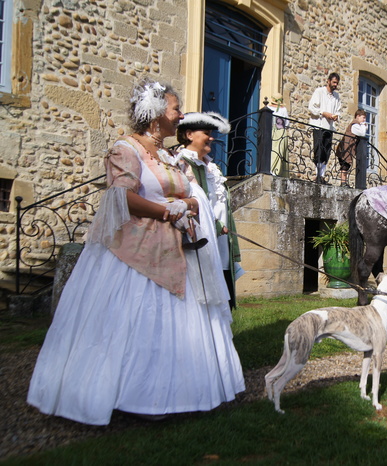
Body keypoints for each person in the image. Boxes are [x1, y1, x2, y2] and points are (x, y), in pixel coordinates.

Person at [26, 78, 245, 426]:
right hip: (134, 254)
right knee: (133, 324)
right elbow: (120, 197)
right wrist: (166, 211)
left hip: (176, 251)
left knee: (175, 328)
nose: (181, 115)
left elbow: (186, 193)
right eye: (176, 109)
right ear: (157, 115)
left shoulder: (168, 157)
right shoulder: (125, 149)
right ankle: (127, 396)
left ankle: (175, 394)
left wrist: (188, 203)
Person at [176, 111, 245, 310]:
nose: (212, 137)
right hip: (200, 240)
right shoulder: (182, 164)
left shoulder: (210, 167)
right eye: (206, 132)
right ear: (189, 135)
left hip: (220, 241)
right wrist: (214, 225)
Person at [308, 72, 341, 184]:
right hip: (319, 125)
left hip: (329, 127)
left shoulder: (336, 97)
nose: (335, 85)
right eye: (334, 82)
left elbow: (338, 110)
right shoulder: (319, 92)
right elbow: (311, 108)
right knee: (318, 150)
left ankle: (322, 176)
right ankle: (316, 175)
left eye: (337, 83)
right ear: (328, 81)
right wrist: (323, 113)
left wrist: (336, 116)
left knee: (326, 152)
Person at [335, 109, 367, 187]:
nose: (364, 120)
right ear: (358, 116)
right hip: (346, 148)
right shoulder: (355, 125)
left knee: (346, 165)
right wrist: (363, 125)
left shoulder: (356, 125)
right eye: (363, 117)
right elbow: (362, 133)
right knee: (345, 164)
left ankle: (344, 182)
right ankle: (343, 182)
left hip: (348, 148)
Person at [267, 92, 290, 177]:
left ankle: (272, 170)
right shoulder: (283, 109)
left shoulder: (268, 108)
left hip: (270, 131)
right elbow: (287, 123)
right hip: (281, 132)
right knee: (278, 151)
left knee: (273, 150)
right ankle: (276, 171)